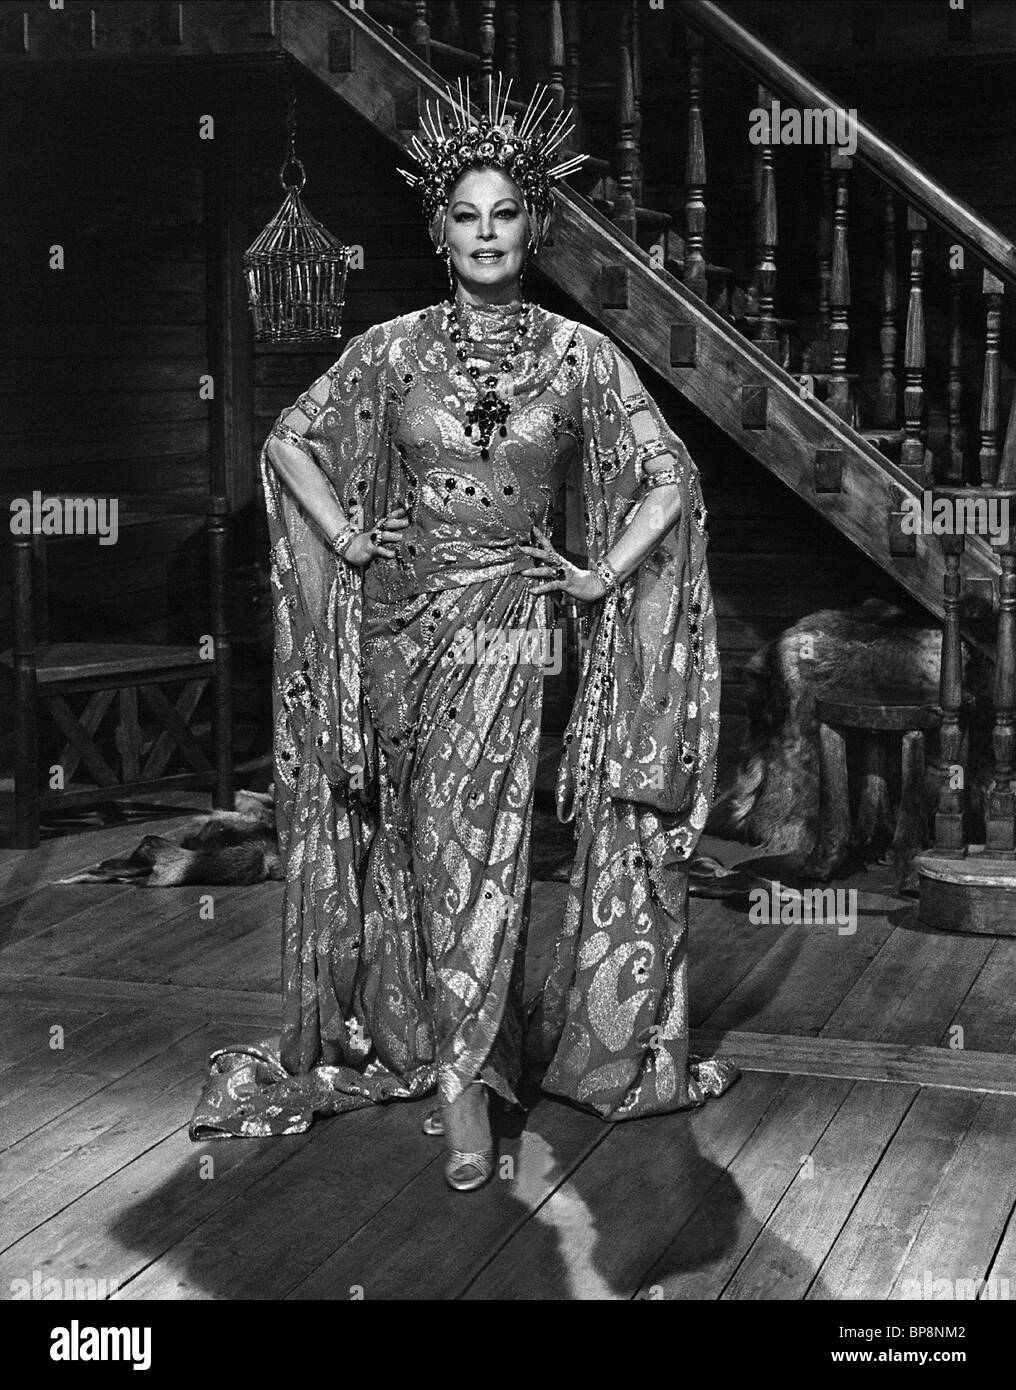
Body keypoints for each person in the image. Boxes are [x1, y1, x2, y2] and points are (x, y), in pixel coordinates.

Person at [190, 78, 738, 1191]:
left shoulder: (580, 357)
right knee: (415, 844)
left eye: (505, 214)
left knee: (474, 844)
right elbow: (291, 440)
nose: (486, 233)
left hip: (510, 634)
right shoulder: (390, 352)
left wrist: (598, 575)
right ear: (439, 232)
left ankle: (464, 1089)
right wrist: (349, 539)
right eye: (465, 215)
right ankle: (437, 1043)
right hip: (399, 629)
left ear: (533, 228)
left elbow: (667, 478)